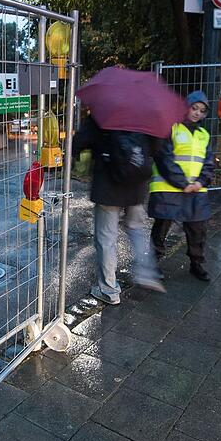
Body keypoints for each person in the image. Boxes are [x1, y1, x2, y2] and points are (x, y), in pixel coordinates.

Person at [73, 114, 167, 305]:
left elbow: (80, 141)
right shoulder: (144, 112)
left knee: (106, 238)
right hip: (136, 184)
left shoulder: (104, 111)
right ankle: (147, 272)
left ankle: (109, 291)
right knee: (136, 228)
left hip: (108, 186)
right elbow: (157, 147)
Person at [148, 91, 215, 281]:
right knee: (162, 228)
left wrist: (200, 182)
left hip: (195, 190)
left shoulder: (204, 135)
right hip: (169, 188)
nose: (197, 113)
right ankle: (153, 263)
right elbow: (164, 158)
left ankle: (197, 264)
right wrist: (184, 183)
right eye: (194, 108)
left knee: (197, 230)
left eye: (202, 111)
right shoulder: (171, 129)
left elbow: (208, 162)